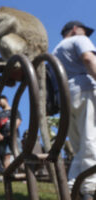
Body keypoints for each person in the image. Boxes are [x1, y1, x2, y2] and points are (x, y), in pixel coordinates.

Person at [52, 20, 96, 199]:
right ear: (76, 29)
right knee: (91, 138)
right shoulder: (79, 39)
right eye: (84, 31)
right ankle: (91, 187)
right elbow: (88, 58)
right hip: (84, 89)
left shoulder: (56, 51)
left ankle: (73, 186)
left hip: (65, 98)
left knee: (80, 146)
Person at [0, 95, 22, 169]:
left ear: (5, 99)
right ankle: (8, 177)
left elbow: (18, 120)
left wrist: (12, 131)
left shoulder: (14, 110)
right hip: (4, 139)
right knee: (6, 156)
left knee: (18, 155)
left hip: (15, 137)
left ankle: (24, 177)